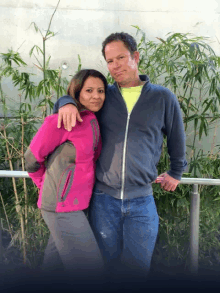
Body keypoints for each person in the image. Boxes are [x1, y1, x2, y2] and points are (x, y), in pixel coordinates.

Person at [53, 32, 187, 280]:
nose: (115, 66)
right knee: (103, 267)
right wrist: (65, 103)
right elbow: (73, 98)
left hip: (142, 201)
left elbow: (177, 140)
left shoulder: (162, 97)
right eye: (110, 61)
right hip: (104, 200)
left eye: (121, 58)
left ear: (135, 57)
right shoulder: (103, 96)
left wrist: (176, 172)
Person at [24, 69, 108, 280]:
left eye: (100, 90)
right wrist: (44, 184)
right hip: (61, 206)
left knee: (54, 266)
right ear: (77, 92)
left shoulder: (92, 120)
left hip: (77, 204)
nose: (96, 96)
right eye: (89, 90)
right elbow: (31, 159)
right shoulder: (60, 121)